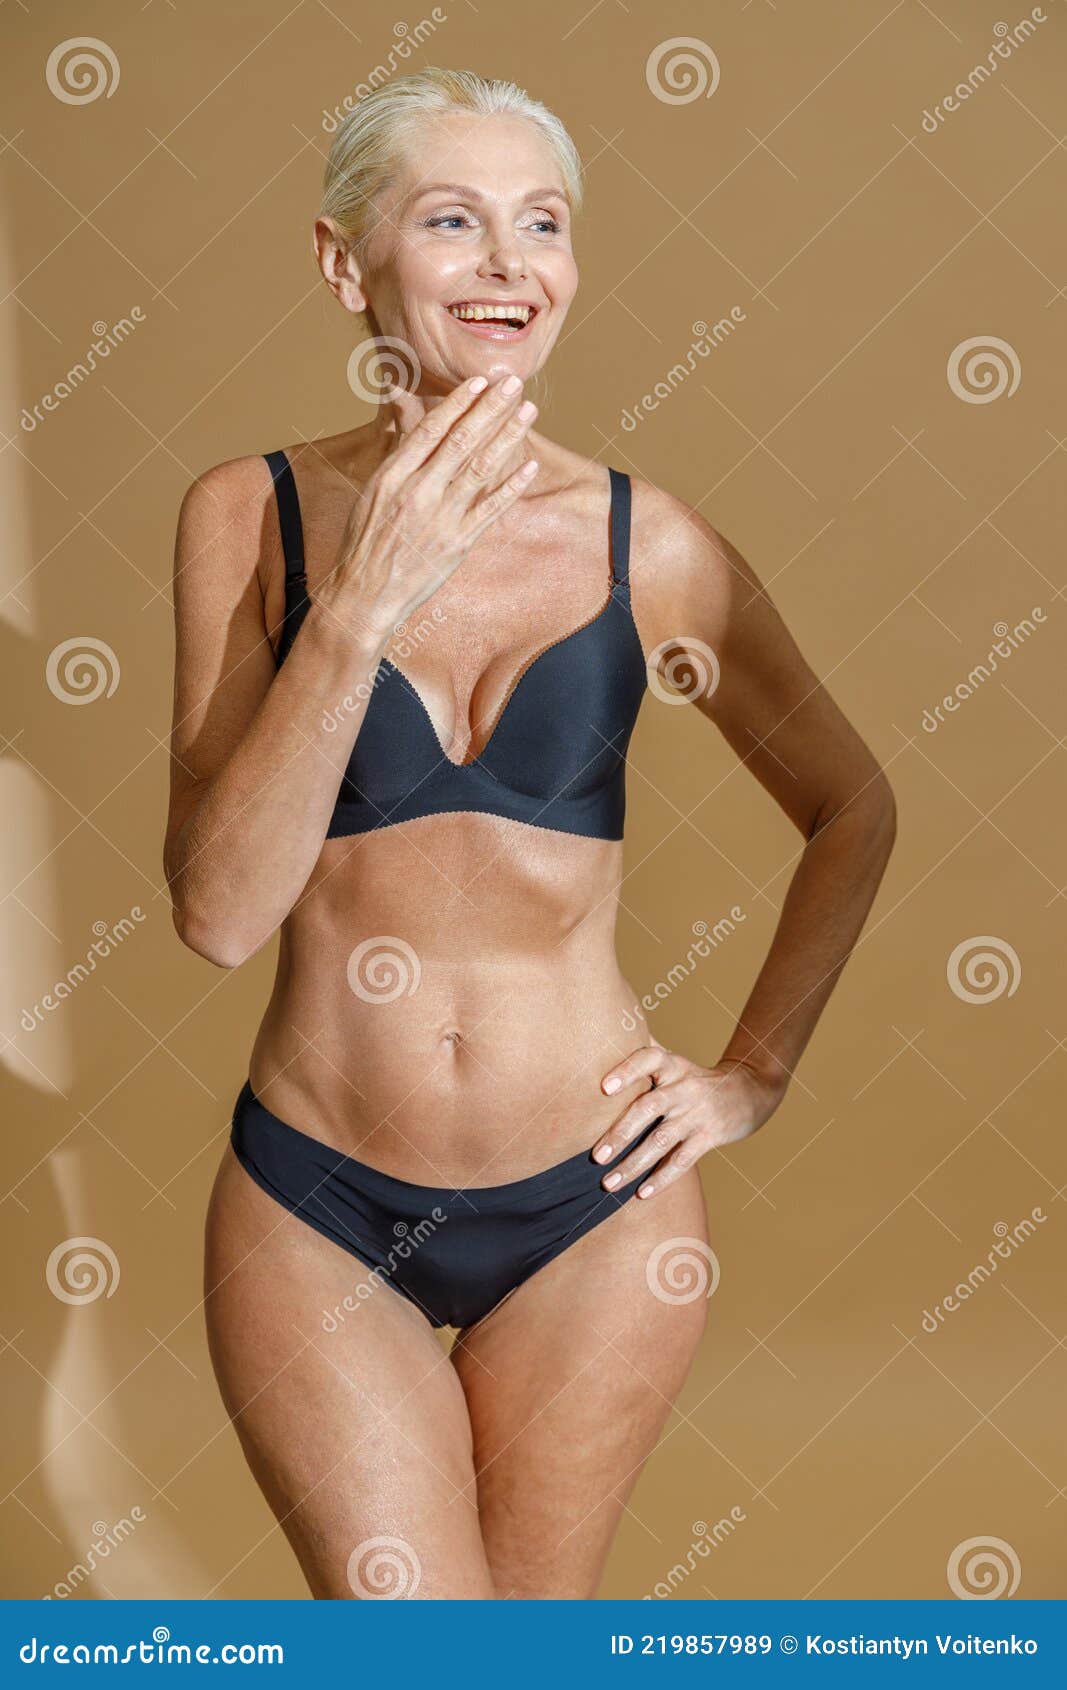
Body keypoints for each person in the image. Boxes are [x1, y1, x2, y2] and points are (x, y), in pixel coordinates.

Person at [164, 67, 896, 1600]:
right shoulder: (255, 518)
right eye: (453, 220)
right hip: (318, 1203)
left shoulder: (652, 547)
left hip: (597, 1213)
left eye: (542, 225)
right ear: (342, 260)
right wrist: (360, 608)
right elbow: (220, 912)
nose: (509, 264)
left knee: (530, 1649)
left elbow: (849, 805)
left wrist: (753, 1070)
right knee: (412, 1638)